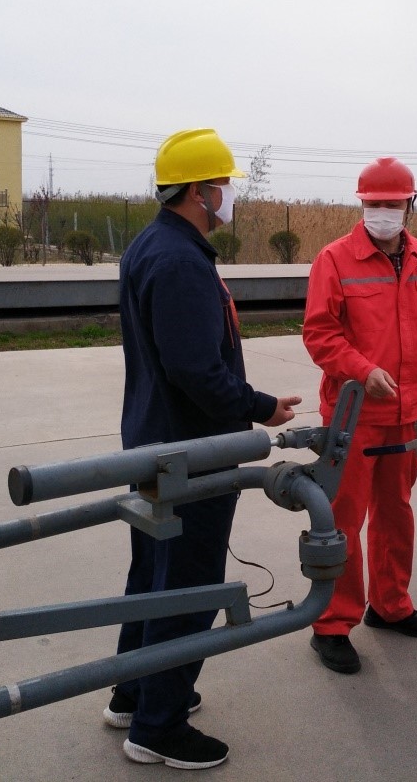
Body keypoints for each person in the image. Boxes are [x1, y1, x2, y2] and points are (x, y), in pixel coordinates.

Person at [105, 129, 301, 769]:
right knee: (188, 585)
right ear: (198, 191)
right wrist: (260, 407)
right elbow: (196, 370)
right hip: (190, 452)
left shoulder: (151, 245)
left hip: (154, 442)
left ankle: (133, 693)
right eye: (223, 185)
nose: (229, 196)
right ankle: (158, 727)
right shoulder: (182, 262)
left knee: (151, 577)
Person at [302, 157, 417, 674]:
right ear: (362, 204)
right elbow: (319, 333)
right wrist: (362, 370)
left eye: (393, 203)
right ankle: (331, 623)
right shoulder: (335, 259)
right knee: (342, 518)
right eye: (375, 203)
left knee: (396, 512)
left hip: (409, 415)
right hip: (354, 417)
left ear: (411, 204)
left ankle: (390, 605)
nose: (384, 211)